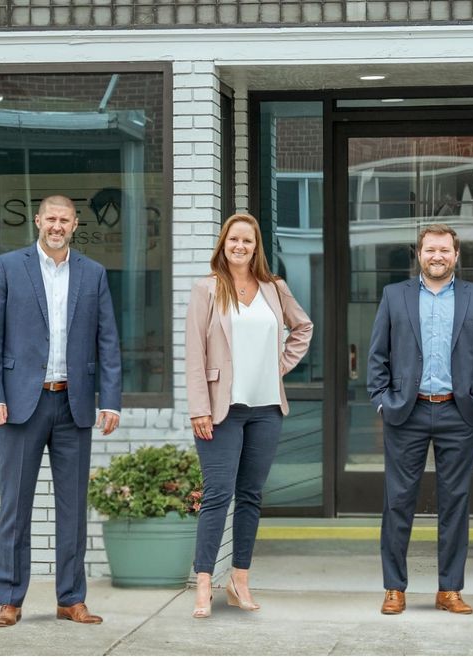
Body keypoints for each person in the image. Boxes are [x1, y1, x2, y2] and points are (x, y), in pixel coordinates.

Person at [0, 194, 121, 628]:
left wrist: (109, 400)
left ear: (76, 225)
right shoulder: (7, 267)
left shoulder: (93, 274)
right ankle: (10, 599)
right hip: (22, 404)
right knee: (15, 508)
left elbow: (108, 342)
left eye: (65, 219)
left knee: (73, 509)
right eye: (51, 218)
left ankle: (70, 599)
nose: (57, 225)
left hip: (74, 405)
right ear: (38, 220)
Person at [367, 223, 473, 616]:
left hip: (458, 413)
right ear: (419, 254)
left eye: (445, 250)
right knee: (398, 502)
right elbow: (377, 355)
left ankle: (450, 590)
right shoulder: (395, 296)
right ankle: (394, 588)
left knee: (455, 503)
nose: (437, 256)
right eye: (430, 250)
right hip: (405, 413)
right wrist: (381, 401)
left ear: (456, 255)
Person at [185, 213, 313, 619]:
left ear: (257, 247)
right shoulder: (207, 289)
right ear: (223, 244)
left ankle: (239, 579)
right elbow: (193, 355)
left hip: (266, 409)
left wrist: (279, 364)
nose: (240, 246)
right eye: (234, 240)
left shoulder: (274, 289)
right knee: (218, 496)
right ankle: (204, 581)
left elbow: (303, 327)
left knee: (251, 497)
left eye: (248, 241)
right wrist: (199, 409)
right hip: (221, 411)